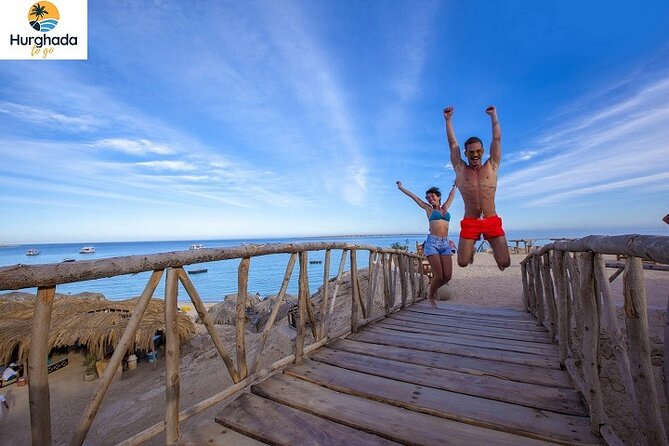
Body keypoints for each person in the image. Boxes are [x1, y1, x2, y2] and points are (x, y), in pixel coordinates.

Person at [444, 105, 511, 270]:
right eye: (471, 151)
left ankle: (496, 252)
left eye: (478, 151)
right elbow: (453, 145)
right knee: (462, 262)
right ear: (466, 153)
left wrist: (493, 116)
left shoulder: (492, 166)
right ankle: (471, 249)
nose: (475, 154)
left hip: (491, 219)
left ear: (483, 152)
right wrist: (448, 120)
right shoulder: (461, 169)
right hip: (470, 221)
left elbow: (496, 139)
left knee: (505, 263)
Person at [397, 180, 457, 308]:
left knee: (447, 276)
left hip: (445, 244)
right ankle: (430, 296)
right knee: (439, 275)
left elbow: (452, 196)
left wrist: (455, 185)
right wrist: (401, 188)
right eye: (428, 197)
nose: (430, 199)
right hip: (432, 243)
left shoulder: (445, 208)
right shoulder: (428, 208)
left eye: (432, 196)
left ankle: (431, 289)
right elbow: (415, 197)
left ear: (438, 197)